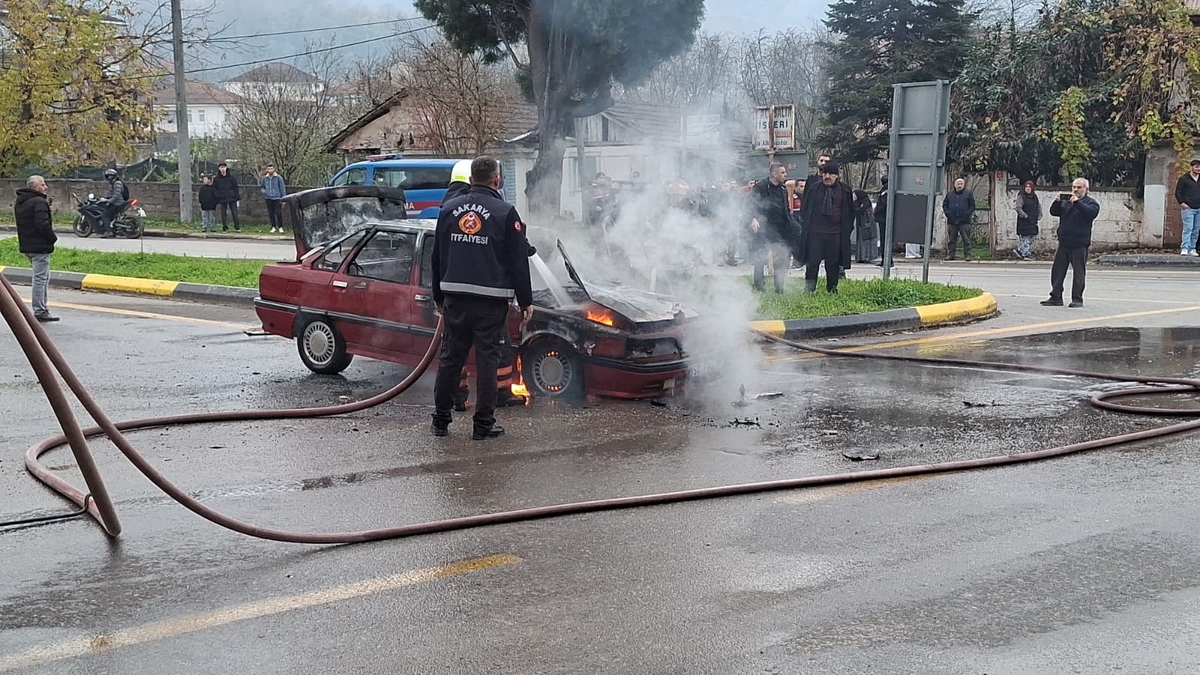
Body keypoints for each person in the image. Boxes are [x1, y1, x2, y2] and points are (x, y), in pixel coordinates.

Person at [431, 156, 533, 440]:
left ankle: (440, 421)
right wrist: (526, 300)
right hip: (490, 302)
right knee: (487, 362)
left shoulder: (449, 209)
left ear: (470, 179)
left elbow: (437, 255)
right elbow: (517, 261)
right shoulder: (505, 212)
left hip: (456, 300)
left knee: (451, 360)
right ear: (497, 180)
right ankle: (483, 426)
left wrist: (438, 294)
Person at [1041, 178, 1100, 308]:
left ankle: (1077, 298)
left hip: (1079, 244)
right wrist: (1057, 202)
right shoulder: (1066, 202)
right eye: (1074, 187)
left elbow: (1090, 214)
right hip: (1064, 242)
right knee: (1057, 271)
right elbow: (1054, 212)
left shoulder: (1091, 203)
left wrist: (1077, 203)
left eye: (1079, 187)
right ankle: (1055, 297)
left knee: (1078, 272)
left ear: (1086, 189)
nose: (1075, 190)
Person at [797, 161, 854, 293]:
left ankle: (832, 288)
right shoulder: (814, 188)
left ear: (837, 176)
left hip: (835, 234)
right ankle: (809, 289)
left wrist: (846, 230)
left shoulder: (845, 190)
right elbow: (805, 208)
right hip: (815, 233)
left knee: (832, 264)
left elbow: (850, 213)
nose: (827, 176)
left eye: (831, 174)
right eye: (825, 173)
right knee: (812, 263)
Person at [14, 175, 58, 322]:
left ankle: (42, 308)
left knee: (43, 276)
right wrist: (52, 238)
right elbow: (42, 224)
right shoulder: (39, 202)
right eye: (42, 184)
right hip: (40, 246)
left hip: (27, 245)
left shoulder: (21, 202)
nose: (45, 187)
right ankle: (40, 310)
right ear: (35, 187)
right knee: (40, 278)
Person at [747, 162, 793, 293]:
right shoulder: (760, 187)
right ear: (774, 174)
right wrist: (753, 218)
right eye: (783, 173)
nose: (785, 175)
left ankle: (779, 288)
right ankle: (759, 287)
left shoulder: (783, 189)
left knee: (781, 258)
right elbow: (750, 204)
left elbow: (786, 209)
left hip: (780, 229)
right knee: (760, 258)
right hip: (764, 228)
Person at [942, 178, 976, 261]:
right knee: (951, 240)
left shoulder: (968, 194)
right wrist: (948, 214)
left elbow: (972, 205)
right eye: (958, 183)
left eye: (961, 184)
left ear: (964, 185)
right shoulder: (949, 194)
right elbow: (945, 205)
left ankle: (967, 255)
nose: (959, 185)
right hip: (952, 221)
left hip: (964, 221)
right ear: (955, 185)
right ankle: (950, 255)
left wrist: (967, 214)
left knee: (966, 240)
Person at [1175, 158, 1200, 256]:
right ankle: (1185, 247)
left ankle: (1192, 248)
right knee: (1188, 228)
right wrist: (1182, 204)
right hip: (1188, 208)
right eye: (1196, 167)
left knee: (1196, 229)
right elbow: (1178, 192)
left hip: (1199, 208)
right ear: (1191, 167)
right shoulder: (1184, 179)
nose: (1198, 169)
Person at [1014, 180, 1041, 260]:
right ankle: (1025, 253)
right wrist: (1025, 215)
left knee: (1032, 236)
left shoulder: (1034, 197)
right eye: (1026, 187)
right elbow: (1018, 208)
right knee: (1025, 238)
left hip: (1033, 221)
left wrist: (1040, 214)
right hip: (1024, 222)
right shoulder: (1021, 196)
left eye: (1029, 187)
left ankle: (1021, 251)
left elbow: (1038, 206)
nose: (1028, 189)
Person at [212, 162, 241, 232]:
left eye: (224, 167)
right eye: (221, 167)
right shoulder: (216, 179)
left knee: (234, 213)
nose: (223, 169)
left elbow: (235, 188)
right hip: (222, 198)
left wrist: (237, 197)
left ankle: (237, 227)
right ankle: (225, 227)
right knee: (223, 214)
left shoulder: (231, 178)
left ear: (226, 168)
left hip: (232, 197)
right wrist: (218, 195)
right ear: (219, 169)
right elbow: (214, 189)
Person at [98, 169, 127, 239]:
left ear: (114, 176)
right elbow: (111, 193)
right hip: (118, 203)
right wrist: (104, 198)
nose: (109, 178)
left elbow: (117, 195)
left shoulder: (117, 183)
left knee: (105, 215)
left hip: (117, 203)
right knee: (109, 215)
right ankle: (113, 229)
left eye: (110, 176)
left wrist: (109, 202)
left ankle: (109, 232)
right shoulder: (115, 183)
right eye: (108, 176)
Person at [853, 189, 880, 263]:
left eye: (855, 195)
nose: (854, 196)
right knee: (861, 240)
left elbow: (861, 209)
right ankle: (861, 257)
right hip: (861, 224)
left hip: (867, 224)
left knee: (867, 241)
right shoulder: (857, 202)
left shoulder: (866, 201)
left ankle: (867, 257)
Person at [260, 164, 287, 233]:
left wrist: (283, 198)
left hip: (277, 198)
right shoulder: (264, 178)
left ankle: (280, 227)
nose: (270, 170)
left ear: (274, 169)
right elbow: (262, 187)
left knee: (278, 213)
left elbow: (282, 188)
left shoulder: (279, 178)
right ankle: (273, 226)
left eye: (271, 169)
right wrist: (265, 192)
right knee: (271, 213)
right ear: (267, 170)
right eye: (269, 169)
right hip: (268, 198)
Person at [875, 176, 892, 268]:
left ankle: (886, 260)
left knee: (884, 240)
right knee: (885, 240)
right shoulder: (887, 189)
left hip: (884, 218)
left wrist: (876, 211)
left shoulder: (886, 190)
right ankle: (886, 260)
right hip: (884, 218)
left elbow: (883, 204)